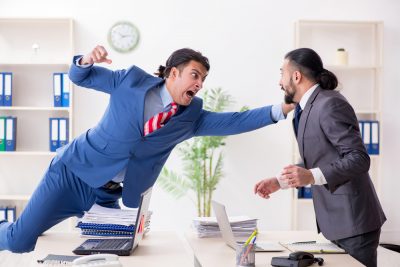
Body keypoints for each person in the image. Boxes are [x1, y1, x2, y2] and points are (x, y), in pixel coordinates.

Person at [0, 45, 293, 253]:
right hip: (72, 173)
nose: (200, 83)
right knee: (19, 241)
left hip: (109, 193)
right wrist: (87, 59)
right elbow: (81, 77)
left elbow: (235, 121)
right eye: (195, 75)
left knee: (111, 254)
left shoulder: (192, 117)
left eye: (203, 78)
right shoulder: (129, 81)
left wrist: (280, 109)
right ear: (173, 73)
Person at [254, 48, 386, 267]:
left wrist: (311, 176)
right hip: (335, 222)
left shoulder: (330, 104)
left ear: (296, 76)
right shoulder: (304, 109)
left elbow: (359, 158)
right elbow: (317, 160)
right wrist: (280, 181)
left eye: (281, 73)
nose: (279, 81)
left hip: (354, 223)